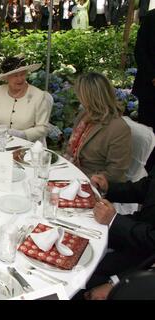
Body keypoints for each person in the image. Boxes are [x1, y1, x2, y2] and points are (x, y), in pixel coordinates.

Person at [77, 169, 155, 299]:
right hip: (139, 231)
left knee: (82, 274)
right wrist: (109, 188)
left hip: (145, 260)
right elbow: (146, 187)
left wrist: (116, 284)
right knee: (78, 233)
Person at [64, 72, 131, 182]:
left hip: (92, 182)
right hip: (71, 171)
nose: (78, 98)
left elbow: (116, 172)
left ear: (91, 98)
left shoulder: (119, 128)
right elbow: (70, 148)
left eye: (80, 95)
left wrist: (87, 180)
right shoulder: (85, 115)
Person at [0, 55, 53, 143]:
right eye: (15, 76)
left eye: (22, 74)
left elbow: (43, 127)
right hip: (0, 143)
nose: (20, 79)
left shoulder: (38, 95)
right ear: (6, 77)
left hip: (28, 146)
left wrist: (23, 134)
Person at [133, 8, 155, 173]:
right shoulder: (151, 18)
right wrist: (152, 76)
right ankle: (143, 170)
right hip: (150, 87)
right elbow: (140, 50)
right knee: (147, 129)